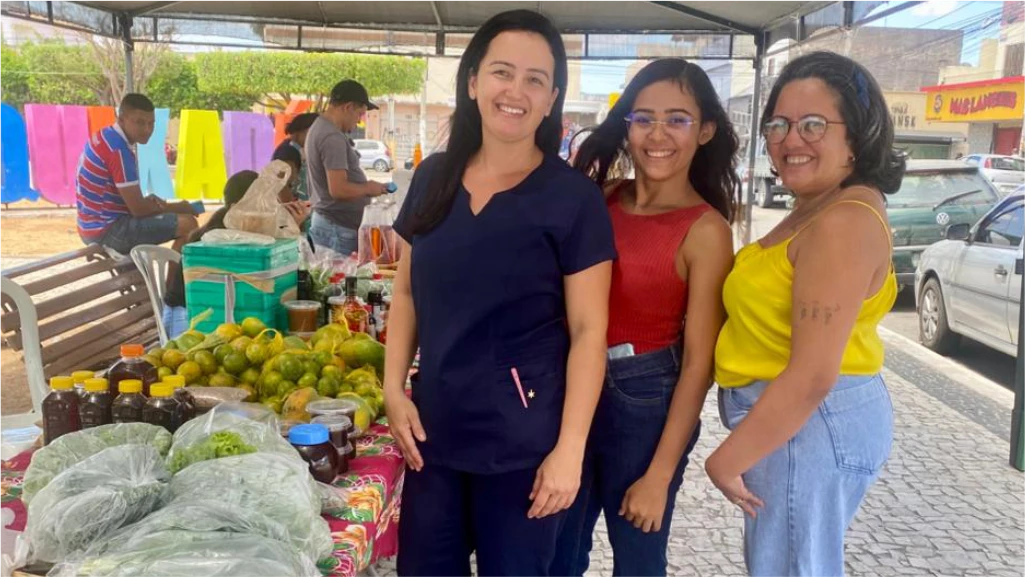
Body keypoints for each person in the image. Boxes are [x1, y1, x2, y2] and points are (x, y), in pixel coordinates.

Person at [383, 10, 617, 577]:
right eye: (502, 72)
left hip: (524, 444)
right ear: (472, 82)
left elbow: (590, 332)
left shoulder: (572, 200)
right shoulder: (435, 176)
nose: (516, 91)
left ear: (552, 96)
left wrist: (569, 451)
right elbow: (408, 291)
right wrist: (393, 388)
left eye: (535, 79)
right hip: (433, 433)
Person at [708, 51, 902, 576]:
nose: (791, 139)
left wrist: (725, 458)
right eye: (779, 124)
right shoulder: (819, 204)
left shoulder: (843, 221)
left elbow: (814, 373)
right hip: (799, 421)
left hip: (803, 425)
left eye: (814, 124)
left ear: (856, 135)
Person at [552, 59, 738, 577]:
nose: (658, 134)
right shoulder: (602, 198)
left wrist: (659, 475)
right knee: (558, 550)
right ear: (626, 125)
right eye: (644, 118)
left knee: (637, 559)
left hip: (644, 404)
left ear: (704, 131)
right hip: (572, 389)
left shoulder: (706, 230)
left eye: (677, 119)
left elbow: (699, 364)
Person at [161, 168, 309, 339]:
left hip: (221, 316)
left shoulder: (256, 234)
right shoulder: (220, 237)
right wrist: (290, 229)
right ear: (235, 209)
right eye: (261, 205)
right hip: (184, 315)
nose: (269, 211)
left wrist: (289, 227)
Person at [76, 93, 199, 254]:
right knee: (188, 224)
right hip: (107, 230)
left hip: (90, 226)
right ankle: (174, 280)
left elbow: (129, 202)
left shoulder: (105, 136)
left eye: (151, 123)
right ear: (121, 119)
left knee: (141, 268)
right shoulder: (118, 151)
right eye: (140, 123)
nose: (147, 130)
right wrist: (179, 207)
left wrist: (150, 204)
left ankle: (146, 278)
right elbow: (139, 210)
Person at [305, 80, 390, 255]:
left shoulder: (321, 127)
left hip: (332, 225)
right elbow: (338, 189)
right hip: (335, 230)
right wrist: (369, 188)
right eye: (359, 114)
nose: (358, 121)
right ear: (348, 107)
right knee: (338, 281)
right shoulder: (331, 136)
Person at [274, 112, 318, 203]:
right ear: (299, 131)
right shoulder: (289, 151)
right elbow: (280, 184)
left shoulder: (298, 150)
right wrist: (293, 210)